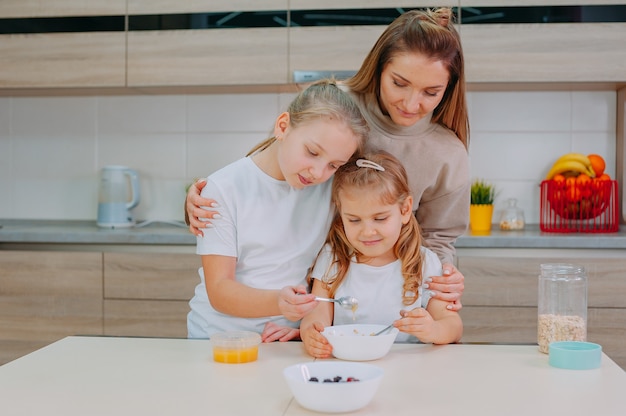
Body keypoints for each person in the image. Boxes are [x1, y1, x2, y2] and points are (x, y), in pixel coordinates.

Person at [185, 8, 469, 310]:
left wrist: (442, 279)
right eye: (399, 83)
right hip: (321, 296)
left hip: (390, 295)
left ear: (448, 89)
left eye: (431, 92)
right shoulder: (341, 106)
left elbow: (439, 237)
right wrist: (204, 197)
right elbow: (273, 163)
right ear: (379, 70)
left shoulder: (447, 152)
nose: (412, 103)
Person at [187, 79, 369, 341]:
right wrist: (279, 303)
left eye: (334, 165)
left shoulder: (331, 189)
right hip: (219, 338)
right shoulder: (223, 189)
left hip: (284, 338)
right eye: (312, 152)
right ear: (283, 126)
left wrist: (301, 326)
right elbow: (219, 290)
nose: (318, 172)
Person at [300, 151, 463, 358]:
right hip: (349, 364)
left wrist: (432, 329)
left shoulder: (424, 262)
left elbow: (453, 325)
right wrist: (310, 333)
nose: (367, 231)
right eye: (354, 220)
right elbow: (318, 312)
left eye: (380, 219)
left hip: (409, 367)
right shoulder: (333, 256)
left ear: (405, 210)